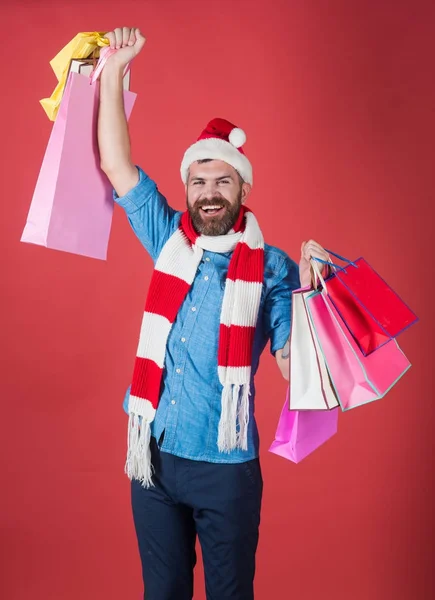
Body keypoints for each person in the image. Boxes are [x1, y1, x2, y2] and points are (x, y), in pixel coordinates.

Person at [98, 26, 330, 600]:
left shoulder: (271, 268)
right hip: (149, 458)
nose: (208, 192)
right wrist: (114, 73)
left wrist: (312, 293)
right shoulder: (168, 240)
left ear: (241, 189)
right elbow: (116, 164)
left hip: (224, 467)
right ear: (186, 187)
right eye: (198, 180)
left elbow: (288, 365)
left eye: (222, 180)